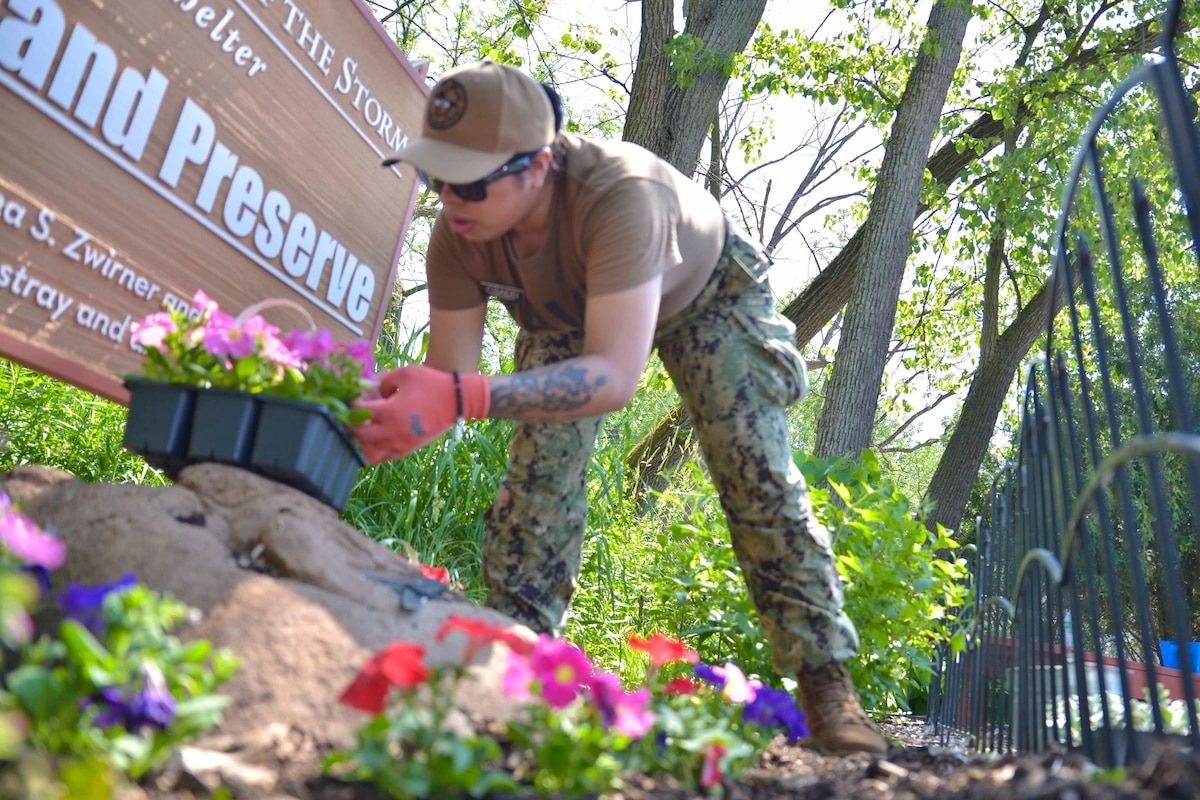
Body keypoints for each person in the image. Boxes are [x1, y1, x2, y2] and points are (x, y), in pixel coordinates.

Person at [352, 58, 886, 755]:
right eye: (435, 176)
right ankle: (518, 667)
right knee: (538, 478)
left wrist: (464, 395)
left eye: (471, 181)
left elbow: (611, 377)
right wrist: (391, 418)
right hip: (571, 313)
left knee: (750, 464)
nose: (451, 199)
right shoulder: (460, 234)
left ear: (538, 165)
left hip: (704, 295)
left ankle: (825, 683)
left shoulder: (619, 196)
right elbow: (451, 380)